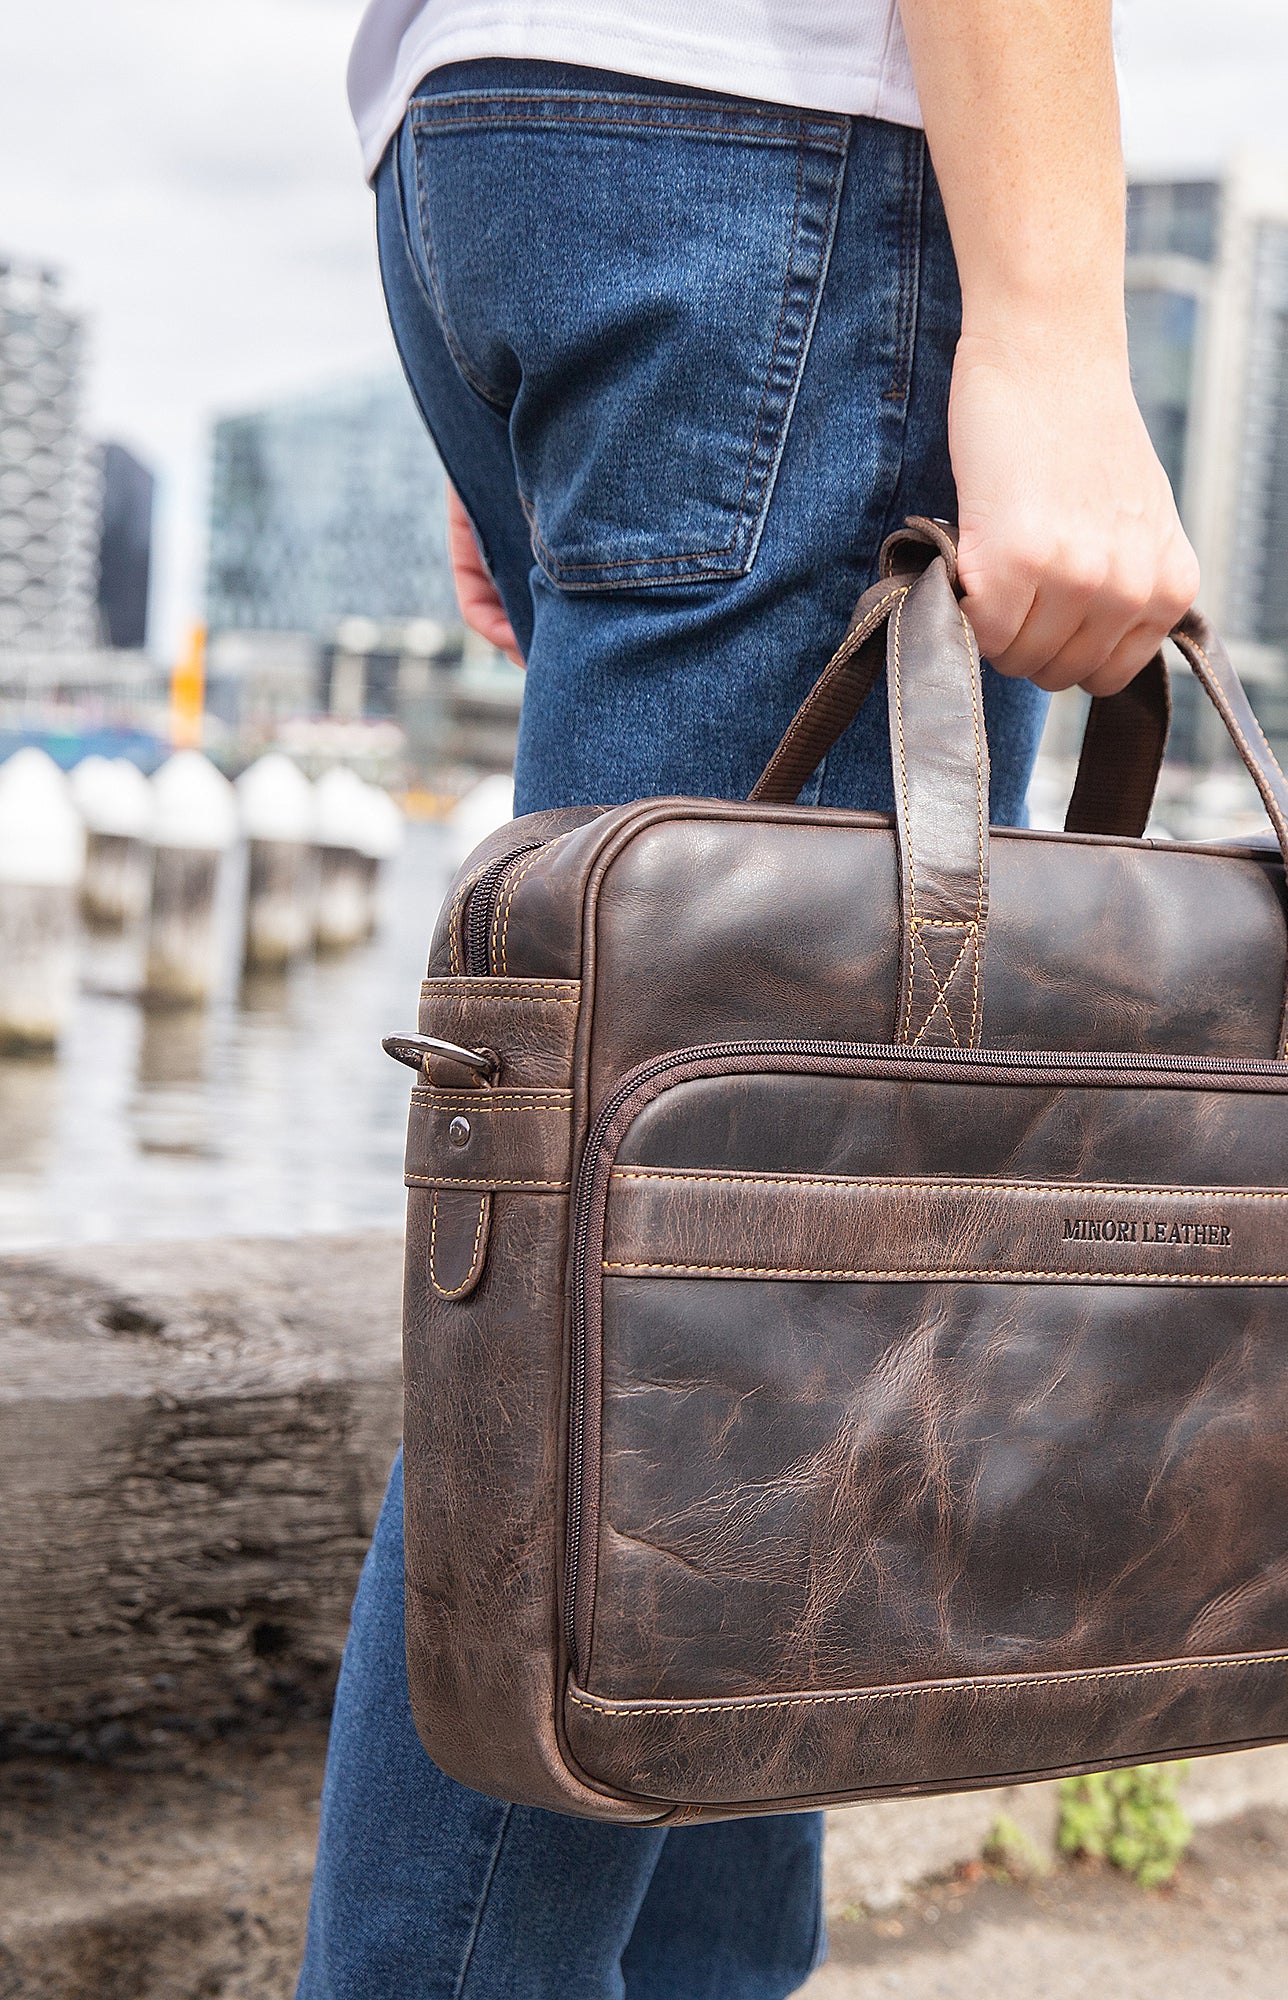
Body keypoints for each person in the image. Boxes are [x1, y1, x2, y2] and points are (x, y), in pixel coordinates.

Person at [297, 3, 1199, 1993]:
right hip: (787, 159)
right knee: (660, 1340)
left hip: (507, 141)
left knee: (750, 1301)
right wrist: (1049, 318)